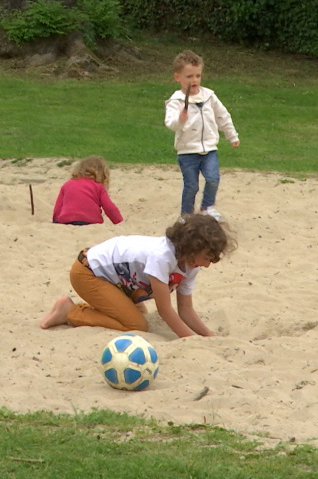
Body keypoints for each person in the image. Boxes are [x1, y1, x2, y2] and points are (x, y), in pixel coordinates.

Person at [39, 214, 236, 338]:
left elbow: (185, 310)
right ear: (194, 248)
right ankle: (69, 311)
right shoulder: (162, 257)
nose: (208, 264)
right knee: (136, 325)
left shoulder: (191, 266)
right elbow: (165, 309)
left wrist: (208, 336)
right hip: (88, 272)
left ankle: (96, 307)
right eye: (207, 257)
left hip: (119, 283)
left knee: (138, 313)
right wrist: (190, 340)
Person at [165, 50, 240, 221]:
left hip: (209, 149)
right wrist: (180, 119)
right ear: (178, 77)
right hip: (187, 152)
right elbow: (170, 123)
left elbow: (223, 116)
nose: (194, 80)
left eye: (198, 76)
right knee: (191, 186)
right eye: (189, 76)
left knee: (213, 179)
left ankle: (207, 208)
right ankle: (186, 214)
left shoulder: (209, 96)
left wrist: (232, 136)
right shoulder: (176, 100)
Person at [52, 156, 123, 225]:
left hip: (67, 220)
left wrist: (56, 221)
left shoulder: (67, 185)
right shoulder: (98, 187)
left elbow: (58, 208)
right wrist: (118, 221)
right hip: (91, 221)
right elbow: (109, 207)